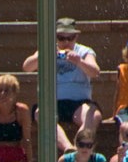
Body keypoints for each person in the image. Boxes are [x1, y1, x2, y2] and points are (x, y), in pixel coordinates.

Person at [21, 17, 102, 152]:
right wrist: (43, 55)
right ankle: (68, 148)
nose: (66, 42)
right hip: (52, 102)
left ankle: (78, 148)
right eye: (61, 38)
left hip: (79, 103)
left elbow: (95, 72)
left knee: (94, 115)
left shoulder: (84, 51)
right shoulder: (47, 49)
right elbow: (27, 67)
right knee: (41, 114)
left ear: (76, 37)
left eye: (70, 38)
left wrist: (79, 62)